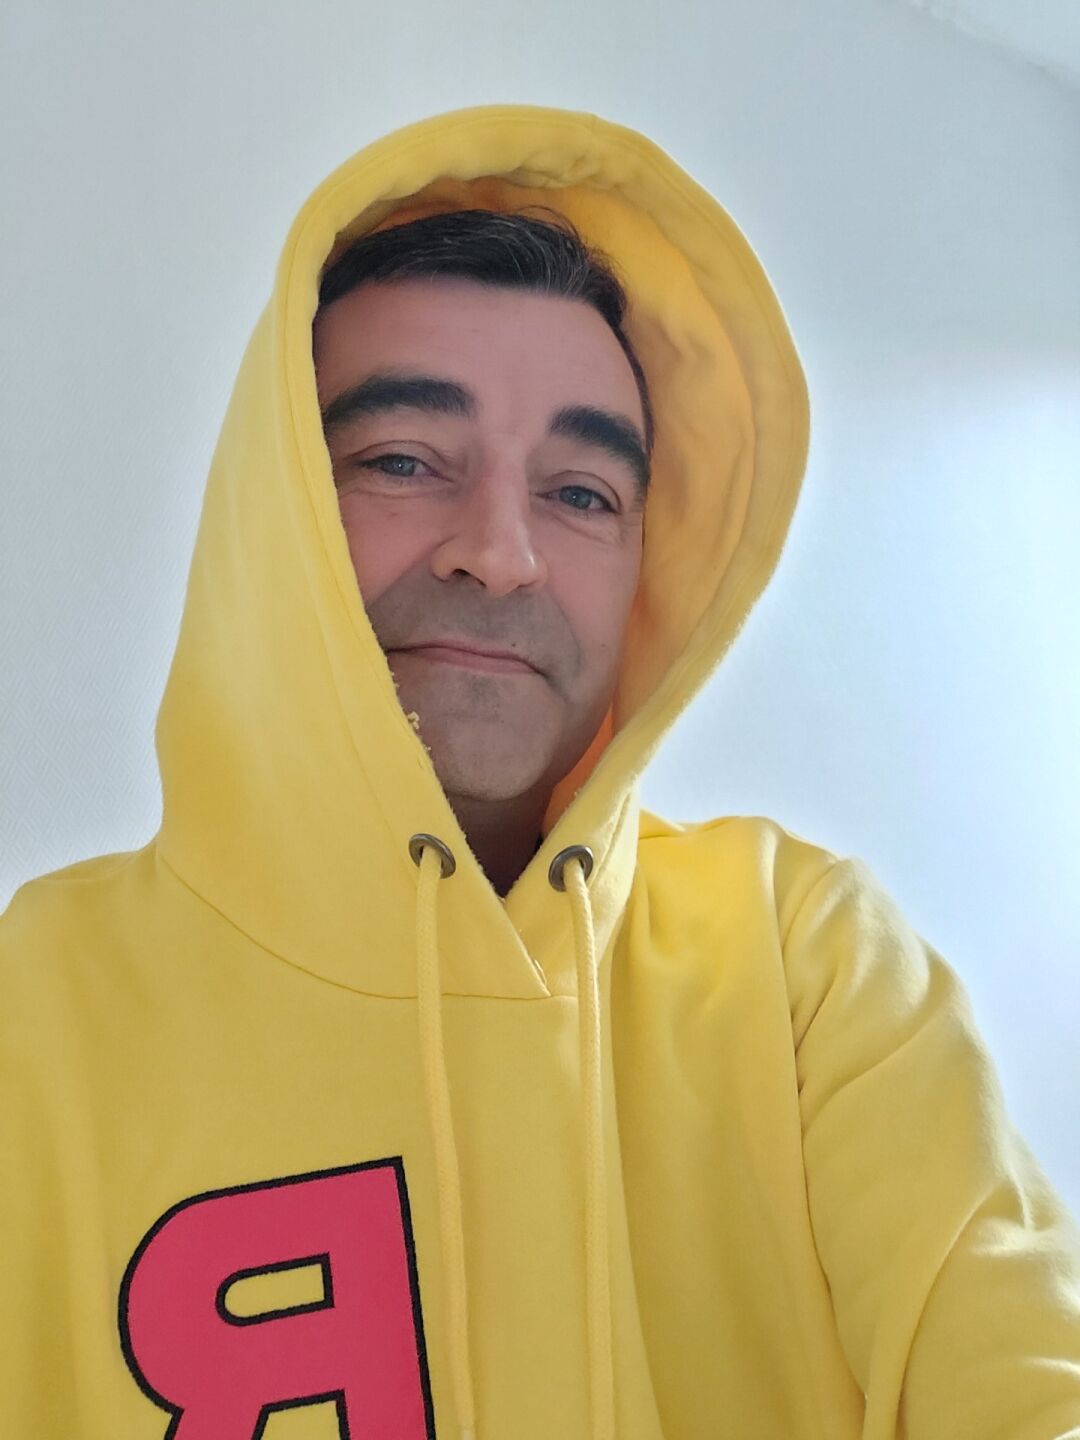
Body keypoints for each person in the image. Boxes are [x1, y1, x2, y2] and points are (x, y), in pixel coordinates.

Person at [2, 102, 1078, 1440]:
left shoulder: (802, 959)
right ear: (272, 515)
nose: (501, 554)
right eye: (403, 461)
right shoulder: (29, 1013)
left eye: (581, 494)